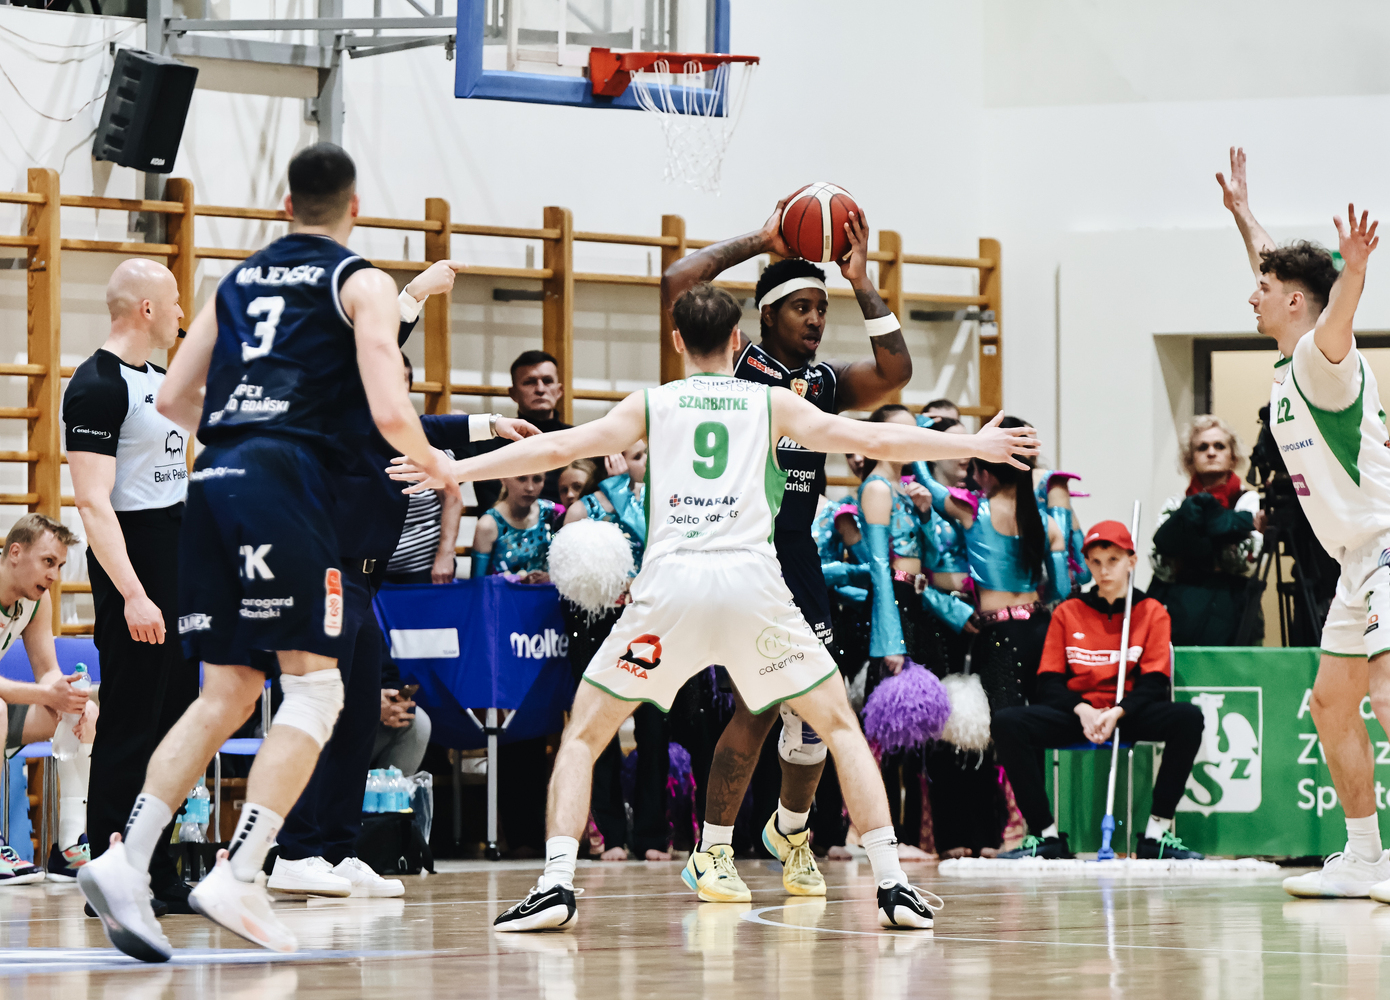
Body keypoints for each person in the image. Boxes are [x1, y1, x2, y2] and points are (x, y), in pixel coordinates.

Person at [390, 281, 1038, 931]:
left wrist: (455, 471)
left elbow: (558, 448)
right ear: (737, 340)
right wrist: (973, 446)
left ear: (676, 340)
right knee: (839, 728)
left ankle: (556, 884)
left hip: (670, 589)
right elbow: (871, 440)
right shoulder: (772, 401)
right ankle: (893, 886)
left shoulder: (652, 403)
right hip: (752, 587)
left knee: (584, 734)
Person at [77, 142, 458, 962]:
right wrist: (440, 465)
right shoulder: (362, 282)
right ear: (354, 208)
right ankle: (244, 871)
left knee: (228, 691)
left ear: (285, 207)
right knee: (317, 690)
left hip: (213, 478)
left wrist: (245, 436)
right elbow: (392, 411)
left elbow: (173, 398)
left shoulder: (236, 279)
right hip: (286, 485)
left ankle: (126, 858)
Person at [659, 198, 912, 898]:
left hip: (798, 556)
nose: (816, 320)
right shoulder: (736, 365)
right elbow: (678, 283)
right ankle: (710, 851)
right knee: (760, 702)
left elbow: (894, 372)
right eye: (802, 307)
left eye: (822, 309)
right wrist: (763, 240)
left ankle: (790, 833)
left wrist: (861, 282)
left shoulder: (824, 384)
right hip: (742, 551)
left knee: (814, 716)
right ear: (766, 316)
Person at [268, 270, 538, 899]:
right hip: (326, 577)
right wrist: (414, 294)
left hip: (364, 587)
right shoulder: (339, 404)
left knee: (361, 714)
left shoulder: (387, 425)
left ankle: (337, 851)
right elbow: (379, 347)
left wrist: (494, 423)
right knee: (322, 711)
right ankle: (294, 851)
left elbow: (431, 429)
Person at [1217, 147, 1390, 899]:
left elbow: (1336, 311)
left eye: (1264, 288)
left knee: (1386, 694)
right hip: (1356, 560)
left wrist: (1355, 269)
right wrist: (1243, 213)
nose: (1252, 293)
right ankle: (1365, 857)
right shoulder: (1293, 362)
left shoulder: (1325, 359)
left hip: (1386, 546)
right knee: (1329, 703)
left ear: (1295, 303)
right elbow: (1279, 268)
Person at [62, 259, 196, 899]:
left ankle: (156, 869)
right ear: (147, 308)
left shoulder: (162, 380)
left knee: (174, 720)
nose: (181, 312)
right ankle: (112, 875)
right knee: (130, 721)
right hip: (132, 558)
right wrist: (134, 594)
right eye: (174, 301)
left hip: (176, 550)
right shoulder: (96, 385)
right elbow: (94, 503)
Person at [992, 520, 1205, 860]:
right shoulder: (1068, 612)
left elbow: (1154, 683)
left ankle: (1156, 835)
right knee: (1007, 722)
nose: (1104, 571)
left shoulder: (1152, 611)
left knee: (1188, 718)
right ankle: (1046, 835)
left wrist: (1118, 711)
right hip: (1079, 715)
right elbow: (1049, 682)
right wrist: (1084, 711)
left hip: (1127, 714)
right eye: (1096, 562)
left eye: (1113, 560)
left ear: (1131, 562)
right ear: (1088, 564)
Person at [926, 419, 1070, 714]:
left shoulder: (973, 513)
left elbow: (930, 487)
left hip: (999, 635)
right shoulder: (1048, 524)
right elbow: (1061, 589)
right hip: (1042, 630)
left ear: (985, 473)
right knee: (1042, 718)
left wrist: (924, 431)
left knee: (1005, 722)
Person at [0, 515, 98, 883]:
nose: (54, 575)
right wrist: (47, 694)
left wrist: (68, 693)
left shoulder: (37, 601)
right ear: (15, 552)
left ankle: (69, 848)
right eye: (48, 562)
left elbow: (47, 671)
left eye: (59, 565)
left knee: (84, 711)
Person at [1149, 415, 1264, 645]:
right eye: (1202, 447)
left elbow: (1247, 562)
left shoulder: (1249, 501)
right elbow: (1161, 562)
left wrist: (1189, 542)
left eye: (1219, 446)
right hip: (1183, 616)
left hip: (1237, 615)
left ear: (1233, 456)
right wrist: (1229, 529)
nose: (1211, 452)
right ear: (1190, 458)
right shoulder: (1176, 503)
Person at [473, 351, 573, 511]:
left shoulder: (576, 439)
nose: (540, 389)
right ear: (513, 393)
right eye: (529, 382)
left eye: (547, 381)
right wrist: (458, 427)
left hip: (567, 526)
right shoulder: (486, 442)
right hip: (498, 526)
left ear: (559, 391)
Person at [472, 474, 556, 583]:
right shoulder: (488, 525)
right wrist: (515, 579)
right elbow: (478, 584)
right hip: (502, 593)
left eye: (537, 479)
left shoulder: (553, 513)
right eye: (521, 478)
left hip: (547, 592)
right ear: (504, 479)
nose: (530, 488)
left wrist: (551, 577)